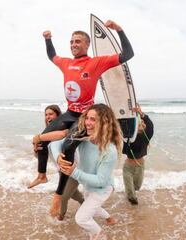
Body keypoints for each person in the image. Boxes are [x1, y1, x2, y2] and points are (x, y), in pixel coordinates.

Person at [33, 19, 134, 217]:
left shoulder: (96, 62)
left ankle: (58, 194)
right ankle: (42, 175)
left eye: (78, 41)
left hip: (84, 115)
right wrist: (48, 39)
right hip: (70, 112)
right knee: (41, 139)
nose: (73, 45)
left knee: (67, 146)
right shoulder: (66, 63)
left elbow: (128, 54)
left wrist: (120, 30)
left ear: (87, 44)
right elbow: (52, 55)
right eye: (71, 42)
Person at [54, 104, 121, 239]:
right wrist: (57, 156)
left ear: (104, 123)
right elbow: (55, 143)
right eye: (87, 118)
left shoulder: (109, 151)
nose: (88, 123)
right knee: (92, 208)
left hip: (102, 188)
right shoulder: (84, 138)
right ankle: (109, 218)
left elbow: (101, 180)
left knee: (82, 218)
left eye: (93, 119)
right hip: (87, 185)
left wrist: (74, 172)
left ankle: (100, 235)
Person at [28, 105, 85, 220]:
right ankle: (87, 205)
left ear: (58, 117)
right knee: (74, 194)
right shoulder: (46, 136)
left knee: (63, 197)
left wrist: (59, 157)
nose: (48, 117)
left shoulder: (66, 131)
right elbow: (40, 156)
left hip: (73, 171)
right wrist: (36, 150)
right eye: (46, 114)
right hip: (62, 172)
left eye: (51, 114)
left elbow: (60, 146)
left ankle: (60, 217)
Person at [122, 105, 154, 205]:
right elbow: (121, 127)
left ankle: (130, 196)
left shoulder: (146, 136)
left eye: (144, 123)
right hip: (128, 167)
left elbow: (150, 125)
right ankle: (134, 207)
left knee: (137, 187)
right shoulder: (128, 136)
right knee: (131, 193)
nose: (143, 123)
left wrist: (141, 113)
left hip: (140, 166)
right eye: (141, 122)